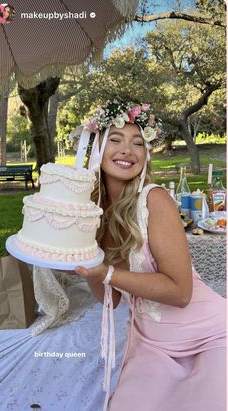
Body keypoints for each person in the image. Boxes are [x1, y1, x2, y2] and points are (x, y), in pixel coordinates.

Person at [71, 100, 226, 411]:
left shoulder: (155, 200)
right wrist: (86, 264)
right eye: (115, 139)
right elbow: (110, 299)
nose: (127, 150)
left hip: (211, 335)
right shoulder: (93, 215)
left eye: (138, 143)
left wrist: (108, 273)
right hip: (152, 343)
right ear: (97, 149)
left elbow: (181, 293)